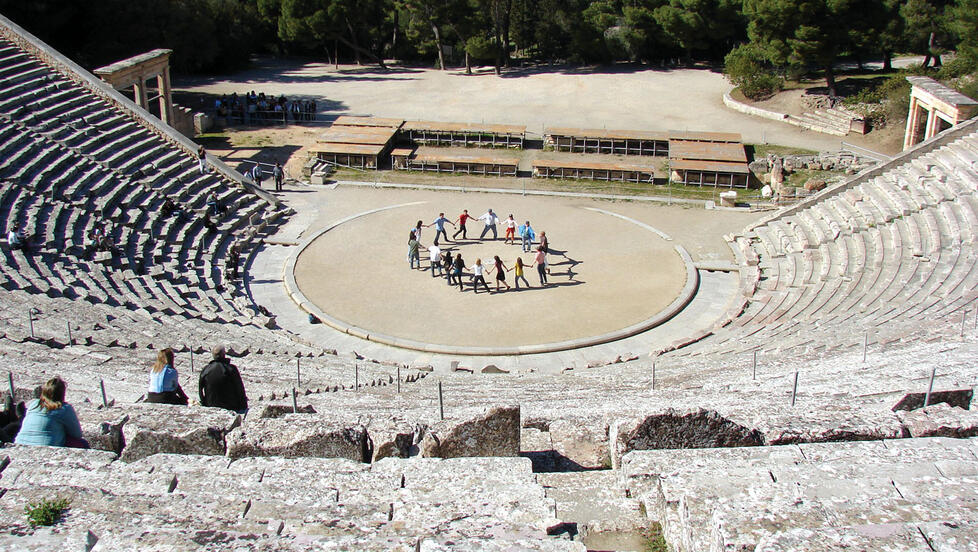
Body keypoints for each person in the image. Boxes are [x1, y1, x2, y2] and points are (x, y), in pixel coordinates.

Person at [15, 377, 88, 448]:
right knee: (82, 443)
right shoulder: (64, 408)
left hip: (19, 444)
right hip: (45, 448)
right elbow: (77, 434)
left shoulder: (33, 404)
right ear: (62, 394)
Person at [199, 345, 248, 413]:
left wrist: (204, 403)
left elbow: (200, 389)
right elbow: (239, 388)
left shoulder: (206, 369)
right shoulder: (231, 369)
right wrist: (244, 406)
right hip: (230, 406)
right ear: (223, 354)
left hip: (210, 404)